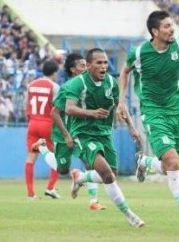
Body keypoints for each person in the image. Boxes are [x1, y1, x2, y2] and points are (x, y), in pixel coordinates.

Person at [116, 10, 179, 233]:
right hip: (153, 111)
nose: (172, 29)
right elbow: (124, 73)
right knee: (173, 162)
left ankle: (144, 162)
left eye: (172, 25)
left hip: (176, 110)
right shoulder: (139, 53)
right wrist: (121, 100)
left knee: (169, 165)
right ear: (155, 31)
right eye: (166, 26)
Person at [65, 48, 145, 227]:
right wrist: (92, 113)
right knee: (107, 174)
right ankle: (130, 216)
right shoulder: (78, 83)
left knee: (111, 175)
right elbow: (69, 108)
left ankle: (80, 178)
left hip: (104, 133)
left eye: (105, 63)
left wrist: (132, 127)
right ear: (89, 66)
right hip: (83, 134)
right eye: (99, 63)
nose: (103, 66)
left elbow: (120, 106)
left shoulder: (111, 82)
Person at [32, 53, 106, 210]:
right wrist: (66, 135)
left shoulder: (88, 86)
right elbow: (54, 113)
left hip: (80, 132)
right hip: (63, 133)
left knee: (90, 161)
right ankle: (42, 147)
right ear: (73, 70)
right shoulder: (67, 88)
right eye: (82, 66)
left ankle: (93, 201)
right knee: (62, 169)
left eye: (87, 65)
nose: (86, 68)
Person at [25, 60, 60, 199]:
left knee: (30, 158)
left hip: (33, 123)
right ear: (54, 72)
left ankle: (30, 194)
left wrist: (32, 119)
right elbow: (57, 109)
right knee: (56, 156)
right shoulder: (54, 87)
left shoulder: (31, 85)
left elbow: (25, 106)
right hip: (48, 124)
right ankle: (50, 188)